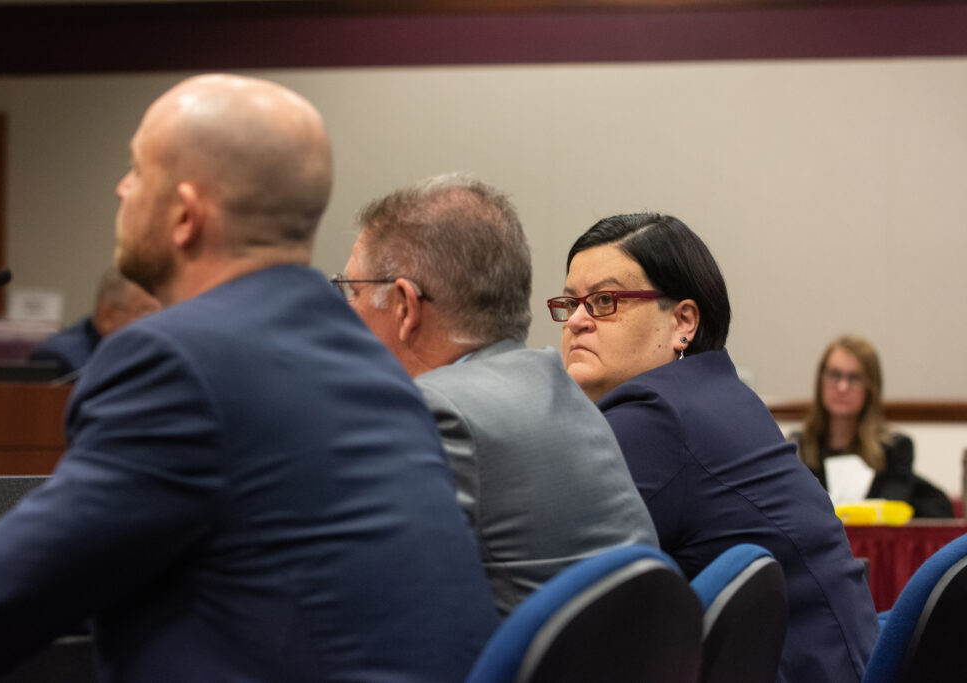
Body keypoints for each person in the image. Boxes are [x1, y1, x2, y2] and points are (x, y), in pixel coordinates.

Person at [0, 75, 499, 681]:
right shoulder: (364, 357)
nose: (120, 188)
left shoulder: (174, 361)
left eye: (136, 169)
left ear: (184, 214)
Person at [550, 212, 878, 683]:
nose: (578, 321)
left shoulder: (655, 418)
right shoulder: (715, 395)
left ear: (683, 320)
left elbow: (551, 572)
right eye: (570, 302)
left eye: (604, 300)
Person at [337, 173, 657, 616]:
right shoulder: (558, 388)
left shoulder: (435, 413)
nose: (343, 315)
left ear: (405, 307)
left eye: (352, 291)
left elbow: (361, 595)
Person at [792, 335, 914, 502]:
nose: (842, 387)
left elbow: (891, 519)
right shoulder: (798, 447)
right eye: (835, 375)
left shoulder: (895, 449)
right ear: (821, 380)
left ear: (871, 387)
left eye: (854, 378)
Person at [29, 267, 161, 375]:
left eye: (162, 311)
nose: (157, 322)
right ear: (108, 316)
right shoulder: (61, 359)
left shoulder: (155, 356)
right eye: (147, 312)